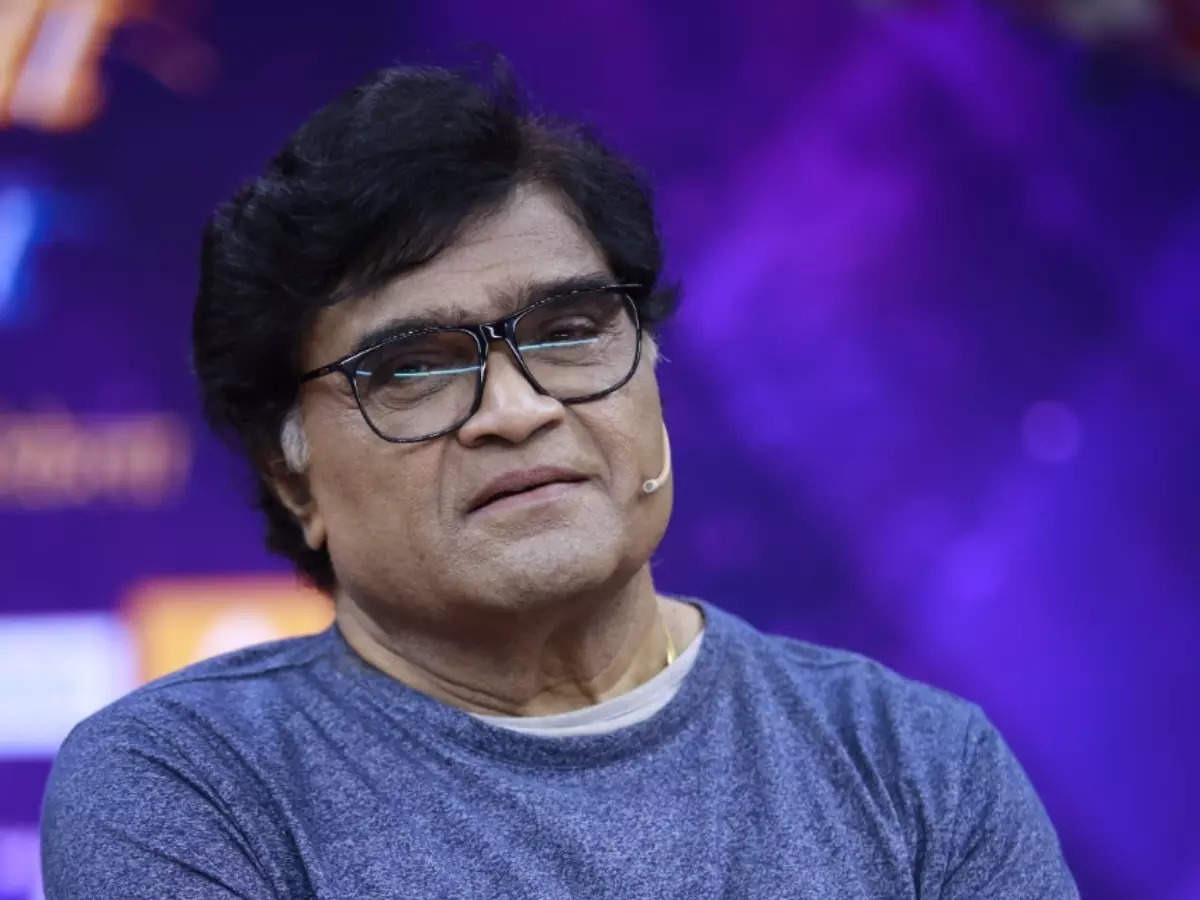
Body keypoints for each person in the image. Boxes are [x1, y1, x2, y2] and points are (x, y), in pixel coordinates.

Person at [40, 62, 1080, 899]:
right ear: (292, 478)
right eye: (413, 367)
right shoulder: (192, 784)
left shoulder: (914, 762)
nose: (517, 408)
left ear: (654, 373)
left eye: (570, 330)